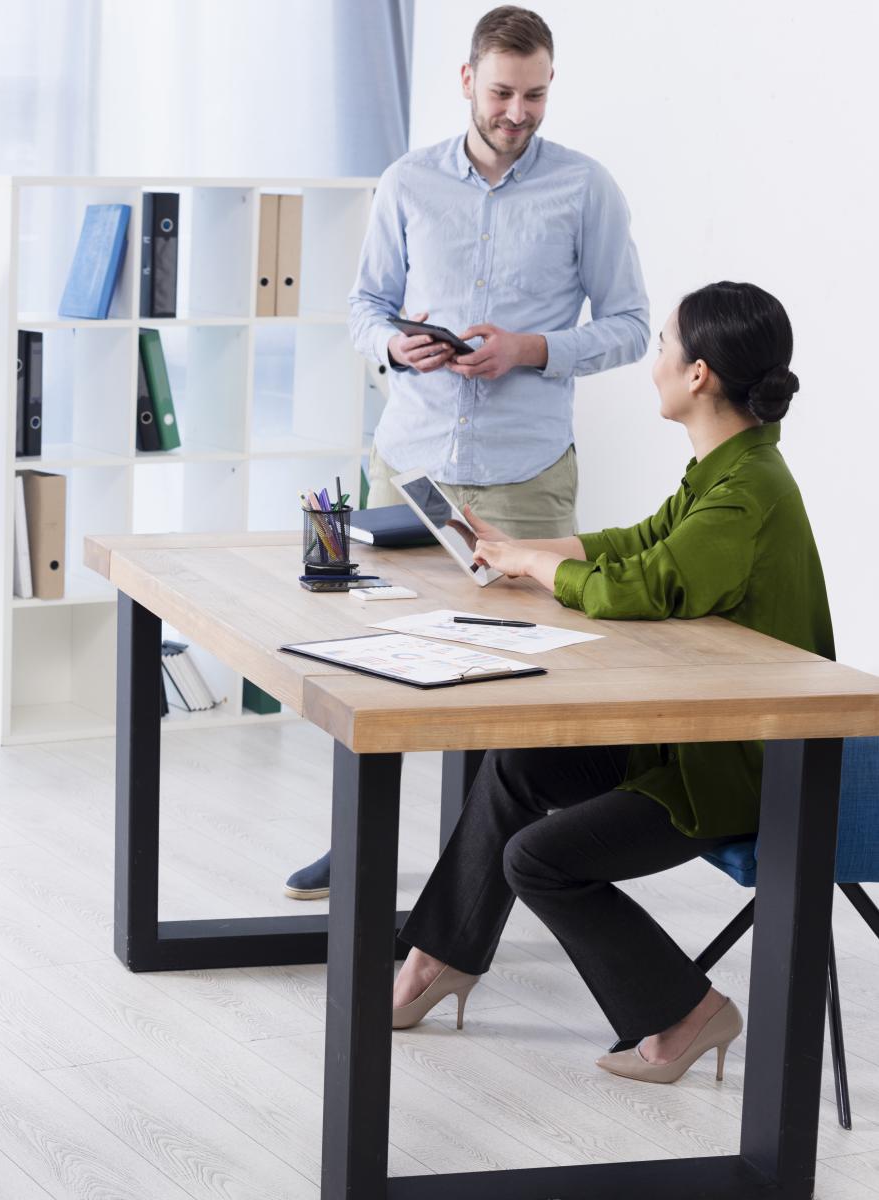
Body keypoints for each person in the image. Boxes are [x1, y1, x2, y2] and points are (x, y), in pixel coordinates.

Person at [392, 281, 829, 1083]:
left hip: (736, 770)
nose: (652, 360)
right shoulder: (729, 470)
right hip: (692, 738)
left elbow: (648, 584)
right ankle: (442, 956)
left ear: (698, 374)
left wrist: (532, 564)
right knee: (519, 763)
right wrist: (523, 547)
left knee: (539, 859)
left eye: (661, 345)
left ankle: (686, 1013)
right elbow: (642, 541)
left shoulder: (749, 491)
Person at [291, 3, 650, 900]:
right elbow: (364, 307)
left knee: (512, 681)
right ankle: (359, 842)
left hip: (524, 477)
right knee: (377, 664)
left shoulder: (586, 188)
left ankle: (485, 871)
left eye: (534, 94)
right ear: (466, 81)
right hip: (409, 466)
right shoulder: (407, 182)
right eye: (501, 92)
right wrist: (392, 345)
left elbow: (633, 326)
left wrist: (531, 348)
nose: (518, 112)